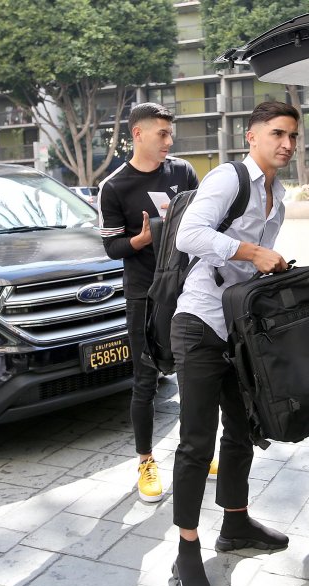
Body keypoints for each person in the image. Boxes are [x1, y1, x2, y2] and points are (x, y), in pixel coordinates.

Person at [169, 101, 300, 586]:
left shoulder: (279, 196)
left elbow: (253, 270)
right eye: (277, 134)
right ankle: (186, 549)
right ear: (252, 136)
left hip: (239, 329)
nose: (286, 143)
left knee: (242, 429)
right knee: (196, 444)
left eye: (292, 135)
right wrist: (251, 252)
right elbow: (188, 236)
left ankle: (236, 522)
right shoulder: (229, 179)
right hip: (200, 323)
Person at [100, 102, 199, 503]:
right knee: (146, 381)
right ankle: (145, 461)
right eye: (161, 134)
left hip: (188, 289)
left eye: (170, 134)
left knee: (196, 375)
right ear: (137, 135)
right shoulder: (114, 186)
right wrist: (138, 241)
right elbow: (111, 247)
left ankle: (195, 453)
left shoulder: (183, 172)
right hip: (143, 296)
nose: (168, 141)